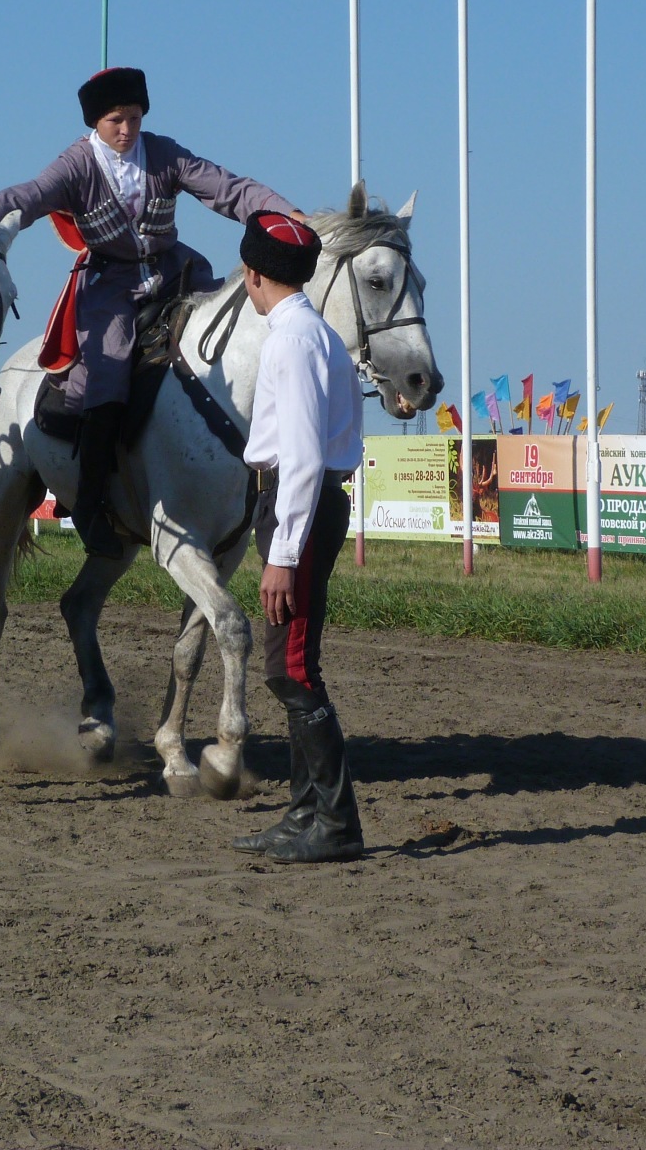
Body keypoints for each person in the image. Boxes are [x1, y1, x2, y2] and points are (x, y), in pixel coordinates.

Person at [0, 66, 301, 558]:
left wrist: (283, 212)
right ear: (94, 122)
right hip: (110, 286)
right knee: (107, 372)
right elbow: (28, 197)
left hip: (175, 271)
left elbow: (229, 189)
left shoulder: (164, 153)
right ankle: (90, 502)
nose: (127, 130)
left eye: (135, 118)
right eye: (116, 121)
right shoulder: (76, 165)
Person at [232, 213, 366, 864]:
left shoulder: (292, 340)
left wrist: (283, 555)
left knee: (290, 670)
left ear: (254, 274)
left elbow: (305, 458)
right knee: (291, 666)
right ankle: (303, 814)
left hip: (298, 506)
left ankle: (337, 824)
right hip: (299, 504)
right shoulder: (316, 334)